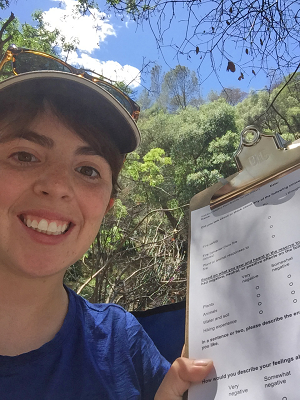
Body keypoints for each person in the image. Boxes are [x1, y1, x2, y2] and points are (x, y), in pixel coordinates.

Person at [0, 45, 213, 399]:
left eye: (88, 170)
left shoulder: (121, 339)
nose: (56, 186)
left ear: (107, 205)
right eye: (25, 155)